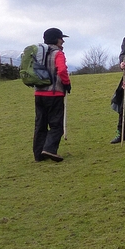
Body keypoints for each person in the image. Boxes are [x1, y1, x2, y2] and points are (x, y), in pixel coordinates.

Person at [33, 27, 71, 162]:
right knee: (56, 124)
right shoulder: (58, 54)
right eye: (61, 38)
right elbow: (62, 71)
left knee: (40, 124)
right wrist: (67, 84)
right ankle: (49, 149)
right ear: (56, 39)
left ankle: (38, 154)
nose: (63, 42)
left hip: (38, 93)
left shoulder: (38, 53)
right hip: (54, 94)